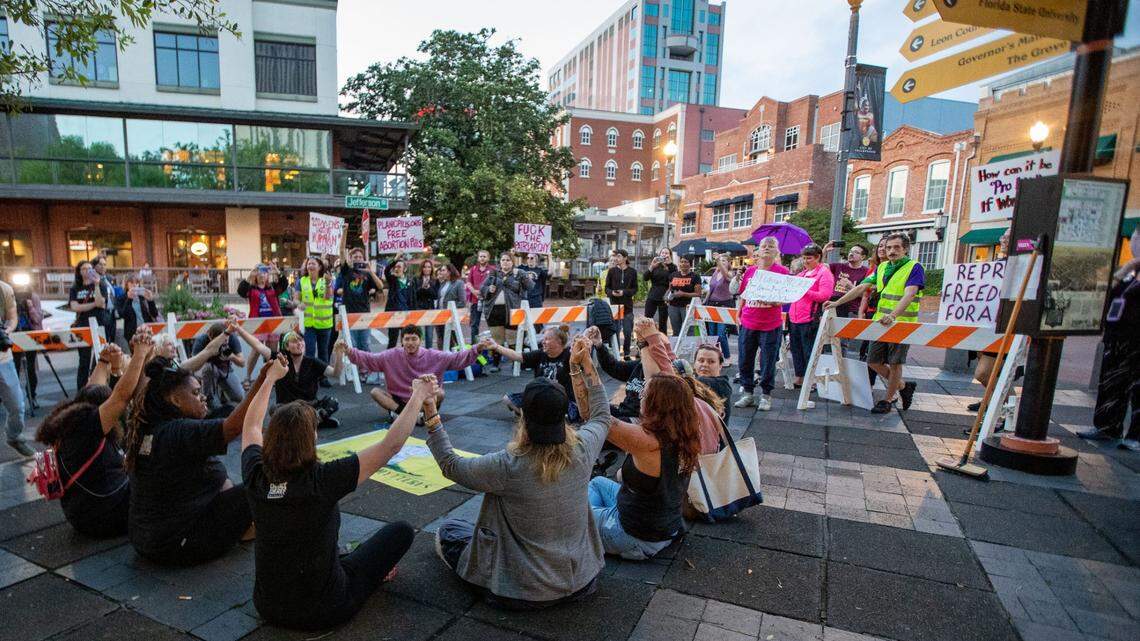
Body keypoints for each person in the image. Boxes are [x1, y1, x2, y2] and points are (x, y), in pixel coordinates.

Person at [430, 336, 612, 609]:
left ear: (524, 416)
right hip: (582, 581)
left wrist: (430, 414)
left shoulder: (508, 465)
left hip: (520, 591)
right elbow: (601, 416)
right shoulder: (583, 450)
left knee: (448, 531)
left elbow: (451, 464)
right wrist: (587, 364)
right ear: (563, 415)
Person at [240, 356, 419, 630]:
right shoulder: (322, 480)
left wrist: (270, 379)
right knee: (401, 531)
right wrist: (418, 396)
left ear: (272, 437)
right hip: (325, 610)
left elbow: (251, 426)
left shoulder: (255, 475)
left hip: (268, 607)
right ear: (312, 439)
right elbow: (390, 446)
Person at [124, 349, 275, 566]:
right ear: (175, 400)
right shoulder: (177, 432)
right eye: (195, 394)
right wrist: (264, 380)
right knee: (262, 480)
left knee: (224, 479)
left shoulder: (151, 427)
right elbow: (234, 427)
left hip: (148, 540)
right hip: (175, 545)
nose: (203, 398)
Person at [578, 363, 701, 561]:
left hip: (636, 536)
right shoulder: (686, 432)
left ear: (656, 405)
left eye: (644, 394)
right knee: (598, 483)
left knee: (564, 516)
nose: (640, 397)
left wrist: (583, 367)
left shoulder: (647, 442)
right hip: (666, 527)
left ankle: (581, 533)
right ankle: (586, 524)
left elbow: (593, 415)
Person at [35, 331, 152, 537]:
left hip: (81, 514)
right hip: (104, 516)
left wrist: (104, 361)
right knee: (158, 473)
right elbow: (121, 396)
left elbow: (92, 390)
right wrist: (140, 354)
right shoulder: (88, 427)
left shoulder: (74, 418)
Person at [825, 232, 922, 414]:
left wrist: (893, 315)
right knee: (873, 361)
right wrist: (837, 302)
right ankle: (902, 386)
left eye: (896, 247)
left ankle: (887, 399)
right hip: (880, 323)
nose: (891, 251)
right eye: (888, 247)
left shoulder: (914, 267)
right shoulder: (883, 267)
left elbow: (910, 294)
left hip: (902, 323)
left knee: (895, 364)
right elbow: (862, 287)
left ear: (906, 249)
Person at [1077, 227, 1140, 451]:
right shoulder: (1129, 275)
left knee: (1137, 388)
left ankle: (1136, 435)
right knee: (1111, 383)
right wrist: (1127, 269)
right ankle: (1107, 426)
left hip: (1136, 339)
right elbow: (1107, 292)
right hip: (1116, 337)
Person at [347, 325, 486, 417]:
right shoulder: (391, 355)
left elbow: (457, 358)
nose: (410, 343)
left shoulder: (434, 355)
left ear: (420, 341)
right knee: (375, 392)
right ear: (402, 341)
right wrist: (349, 351)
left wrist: (477, 349)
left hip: (423, 401)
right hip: (398, 401)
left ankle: (416, 415)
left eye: (414, 339)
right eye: (407, 339)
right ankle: (408, 416)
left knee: (441, 393)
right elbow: (369, 359)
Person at [245, 331, 346, 430]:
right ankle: (314, 422)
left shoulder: (312, 362)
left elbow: (335, 373)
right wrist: (237, 328)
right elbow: (258, 345)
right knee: (275, 409)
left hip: (309, 406)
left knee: (333, 402)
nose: (299, 343)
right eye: (294, 341)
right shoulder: (280, 360)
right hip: (288, 407)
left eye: (301, 340)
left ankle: (307, 422)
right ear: (287, 347)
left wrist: (339, 354)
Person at [734, 237, 788, 411]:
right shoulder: (750, 271)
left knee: (768, 360)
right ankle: (747, 393)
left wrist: (773, 302)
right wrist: (738, 313)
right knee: (745, 359)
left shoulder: (782, 271)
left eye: (770, 246)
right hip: (748, 321)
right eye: (763, 246)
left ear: (776, 252)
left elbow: (786, 297)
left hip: (770, 324)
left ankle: (766, 395)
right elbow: (743, 294)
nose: (766, 248)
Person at [488, 324, 580, 422]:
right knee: (507, 399)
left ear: (559, 341)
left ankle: (536, 416)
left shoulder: (569, 356)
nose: (543, 342)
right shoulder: (540, 354)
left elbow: (584, 365)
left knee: (569, 416)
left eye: (547, 339)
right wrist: (496, 346)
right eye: (543, 339)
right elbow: (517, 356)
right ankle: (530, 416)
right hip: (540, 397)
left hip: (561, 399)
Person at [586, 322, 673, 420]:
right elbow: (614, 367)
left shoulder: (667, 374)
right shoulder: (639, 365)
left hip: (641, 420)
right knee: (593, 407)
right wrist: (599, 344)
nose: (640, 348)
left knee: (603, 421)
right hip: (624, 413)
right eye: (640, 344)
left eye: (644, 344)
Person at [965, 231, 1011, 413]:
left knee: (984, 373)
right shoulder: (997, 265)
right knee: (992, 371)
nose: (1003, 239)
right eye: (1003, 236)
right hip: (984, 324)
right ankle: (992, 401)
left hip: (1002, 327)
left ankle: (1006, 410)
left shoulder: (1018, 267)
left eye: (1009, 236)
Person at [787, 244, 834, 387]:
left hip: (810, 318)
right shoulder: (802, 274)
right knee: (796, 350)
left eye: (809, 258)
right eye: (804, 258)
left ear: (818, 257)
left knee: (809, 350)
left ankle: (811, 380)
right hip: (795, 317)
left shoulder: (824, 273)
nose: (805, 261)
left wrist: (804, 290)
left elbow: (824, 295)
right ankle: (800, 376)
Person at [480, 252, 534, 373]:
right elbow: (482, 289)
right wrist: (488, 289)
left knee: (513, 339)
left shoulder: (518, 273)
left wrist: (525, 274)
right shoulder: (493, 274)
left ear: (512, 262)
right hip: (494, 311)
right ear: (500, 262)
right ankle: (495, 363)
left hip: (512, 311)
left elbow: (530, 287)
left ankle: (517, 363)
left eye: (508, 260)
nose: (505, 262)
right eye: (503, 260)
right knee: (497, 339)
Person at [240, 263, 290, 384]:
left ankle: (269, 378)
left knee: (271, 352)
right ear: (256, 275)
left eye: (265, 272)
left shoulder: (272, 287)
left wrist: (277, 270)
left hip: (273, 323)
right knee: (256, 350)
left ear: (268, 275)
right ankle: (247, 377)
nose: (263, 275)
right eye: (260, 272)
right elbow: (241, 291)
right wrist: (249, 277)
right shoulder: (251, 288)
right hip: (258, 323)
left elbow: (284, 284)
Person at [69, 260, 111, 390]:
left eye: (89, 268)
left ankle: (98, 387)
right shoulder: (75, 288)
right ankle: (81, 390)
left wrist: (97, 285)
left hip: (100, 323)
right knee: (84, 361)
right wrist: (93, 305)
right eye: (84, 269)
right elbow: (74, 307)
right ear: (79, 272)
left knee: (99, 358)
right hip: (83, 325)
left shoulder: (101, 284)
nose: (87, 271)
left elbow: (101, 303)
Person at [0, 279, 31, 456]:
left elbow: (12, 317)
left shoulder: (4, 289)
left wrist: (6, 331)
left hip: (3, 358)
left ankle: (14, 436)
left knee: (17, 406)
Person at [336, 248, 384, 352]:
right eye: (355, 257)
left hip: (364, 313)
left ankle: (365, 368)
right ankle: (354, 368)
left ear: (363, 259)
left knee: (365, 345)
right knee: (352, 346)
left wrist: (370, 272)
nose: (358, 259)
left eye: (360, 257)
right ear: (351, 259)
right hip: (349, 314)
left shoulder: (367, 273)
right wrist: (344, 231)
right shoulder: (346, 271)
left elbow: (380, 286)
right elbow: (341, 251)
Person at [12, 277, 44, 411]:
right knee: (14, 369)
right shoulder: (9, 297)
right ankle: (14, 400)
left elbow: (38, 319)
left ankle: (32, 397)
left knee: (31, 368)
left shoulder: (33, 297)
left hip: (30, 336)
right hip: (13, 336)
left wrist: (30, 306)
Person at [604, 249, 639, 358]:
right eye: (615, 256)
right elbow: (606, 288)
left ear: (625, 258)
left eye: (618, 256)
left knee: (628, 332)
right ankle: (616, 353)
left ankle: (627, 353)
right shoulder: (611, 271)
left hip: (627, 307)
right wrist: (612, 293)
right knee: (615, 331)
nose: (616, 258)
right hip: (614, 306)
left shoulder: (632, 272)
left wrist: (624, 292)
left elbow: (635, 289)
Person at [824, 242, 870, 319]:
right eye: (850, 251)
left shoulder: (866, 272)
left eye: (856, 252)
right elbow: (819, 267)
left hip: (851, 310)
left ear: (863, 257)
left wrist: (851, 287)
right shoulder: (839, 266)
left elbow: (866, 296)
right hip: (833, 306)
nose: (851, 254)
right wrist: (824, 250)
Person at [704, 253, 736, 363]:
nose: (721, 262)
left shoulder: (731, 273)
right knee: (712, 334)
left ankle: (727, 357)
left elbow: (727, 276)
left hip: (724, 305)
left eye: (724, 261)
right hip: (712, 303)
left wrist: (718, 261)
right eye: (720, 260)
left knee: (721, 334)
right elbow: (710, 288)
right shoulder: (715, 272)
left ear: (728, 263)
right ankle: (715, 357)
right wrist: (704, 301)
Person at [693, 342, 732, 422]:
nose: (705, 364)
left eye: (711, 362)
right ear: (694, 364)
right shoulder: (698, 380)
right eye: (701, 360)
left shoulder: (721, 384)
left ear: (720, 366)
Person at [383, 254, 415, 349]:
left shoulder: (410, 281)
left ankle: (405, 361)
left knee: (405, 341)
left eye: (399, 266)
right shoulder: (392, 279)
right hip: (393, 314)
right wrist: (396, 259)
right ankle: (389, 361)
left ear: (404, 269)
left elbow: (413, 299)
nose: (397, 269)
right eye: (395, 266)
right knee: (392, 341)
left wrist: (414, 313)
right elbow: (386, 270)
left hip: (406, 314)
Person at [666, 257, 703, 337]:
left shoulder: (695, 276)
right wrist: (666, 297)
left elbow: (698, 294)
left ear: (690, 264)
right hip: (673, 306)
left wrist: (683, 294)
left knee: (689, 330)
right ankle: (677, 349)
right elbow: (669, 289)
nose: (683, 264)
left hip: (688, 307)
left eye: (685, 262)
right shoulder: (673, 275)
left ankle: (690, 349)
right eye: (681, 262)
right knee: (676, 331)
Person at [116, 276, 159, 344]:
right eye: (132, 282)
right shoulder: (122, 298)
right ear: (127, 285)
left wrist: (151, 301)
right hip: (132, 334)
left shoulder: (142, 297)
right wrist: (129, 299)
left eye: (137, 283)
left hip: (147, 331)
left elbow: (155, 314)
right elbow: (122, 315)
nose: (134, 285)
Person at [466, 250, 495, 343]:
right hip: (475, 300)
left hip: (489, 301)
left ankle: (494, 345)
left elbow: (495, 284)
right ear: (478, 258)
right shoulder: (473, 269)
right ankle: (474, 345)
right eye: (480, 256)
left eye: (484, 256)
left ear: (488, 258)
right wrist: (474, 291)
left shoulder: (493, 270)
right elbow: (468, 282)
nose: (482, 258)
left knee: (492, 324)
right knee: (474, 324)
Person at [644, 248, 676, 334]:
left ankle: (663, 342)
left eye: (666, 253)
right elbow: (645, 278)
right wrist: (652, 266)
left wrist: (669, 264)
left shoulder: (672, 266)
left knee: (662, 322)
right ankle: (647, 341)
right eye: (663, 253)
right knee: (647, 319)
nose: (664, 255)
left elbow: (674, 278)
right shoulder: (655, 266)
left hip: (665, 296)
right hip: (653, 295)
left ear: (670, 255)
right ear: (659, 254)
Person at [435, 263, 466, 349]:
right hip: (440, 314)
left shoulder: (459, 283)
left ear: (449, 272)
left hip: (451, 316)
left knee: (454, 338)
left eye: (443, 270)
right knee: (440, 337)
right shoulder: (443, 283)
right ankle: (442, 356)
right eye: (441, 270)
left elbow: (463, 302)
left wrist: (450, 307)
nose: (441, 272)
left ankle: (459, 356)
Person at [93, 255, 119, 347]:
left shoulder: (109, 278)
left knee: (112, 341)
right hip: (101, 313)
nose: (103, 266)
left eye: (104, 264)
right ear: (95, 266)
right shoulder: (94, 279)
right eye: (100, 264)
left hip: (112, 313)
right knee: (103, 343)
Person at [414, 259, 441, 349]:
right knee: (418, 333)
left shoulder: (435, 280)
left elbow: (436, 295)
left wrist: (429, 288)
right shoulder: (416, 279)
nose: (427, 269)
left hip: (430, 308)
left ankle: (429, 353)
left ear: (431, 269)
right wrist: (422, 288)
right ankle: (418, 351)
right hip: (419, 308)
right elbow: (414, 294)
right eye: (425, 267)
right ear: (422, 268)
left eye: (429, 267)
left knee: (429, 334)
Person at [518, 253, 549, 319]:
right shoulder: (522, 268)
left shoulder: (540, 270)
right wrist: (512, 254)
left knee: (537, 319)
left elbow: (550, 273)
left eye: (532, 258)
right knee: (523, 319)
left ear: (536, 260)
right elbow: (512, 269)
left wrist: (550, 257)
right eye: (528, 258)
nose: (529, 259)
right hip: (524, 298)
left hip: (536, 298)